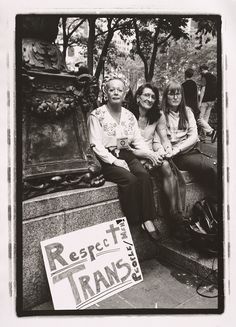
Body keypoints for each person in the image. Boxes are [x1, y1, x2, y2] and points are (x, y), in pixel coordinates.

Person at [87, 74, 162, 241]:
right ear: (105, 92)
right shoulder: (96, 115)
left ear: (124, 93)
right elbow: (95, 145)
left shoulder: (129, 116)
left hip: (126, 153)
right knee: (130, 180)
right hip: (106, 158)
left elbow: (137, 140)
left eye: (119, 90)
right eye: (111, 89)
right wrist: (114, 161)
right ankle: (135, 221)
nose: (115, 92)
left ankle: (148, 219)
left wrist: (149, 154)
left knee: (143, 175)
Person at [133, 83, 189, 241]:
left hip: (152, 155)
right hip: (134, 156)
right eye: (146, 95)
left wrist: (165, 151)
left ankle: (176, 218)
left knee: (166, 165)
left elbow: (163, 140)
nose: (149, 99)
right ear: (138, 97)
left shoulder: (157, 115)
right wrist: (149, 155)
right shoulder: (128, 114)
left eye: (153, 97)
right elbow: (124, 145)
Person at [161, 80, 217, 200]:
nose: (175, 97)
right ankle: (219, 200)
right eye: (171, 94)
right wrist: (174, 150)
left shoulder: (187, 111)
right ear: (166, 96)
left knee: (220, 161)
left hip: (192, 148)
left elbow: (193, 136)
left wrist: (178, 148)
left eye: (178, 93)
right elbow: (163, 139)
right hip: (179, 156)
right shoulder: (161, 115)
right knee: (211, 167)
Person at [198, 64, 217, 142]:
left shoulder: (204, 77)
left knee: (199, 119)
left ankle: (211, 131)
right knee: (205, 120)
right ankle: (203, 137)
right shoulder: (214, 77)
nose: (200, 72)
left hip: (205, 101)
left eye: (200, 70)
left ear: (202, 69)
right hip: (212, 101)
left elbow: (203, 89)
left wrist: (200, 102)